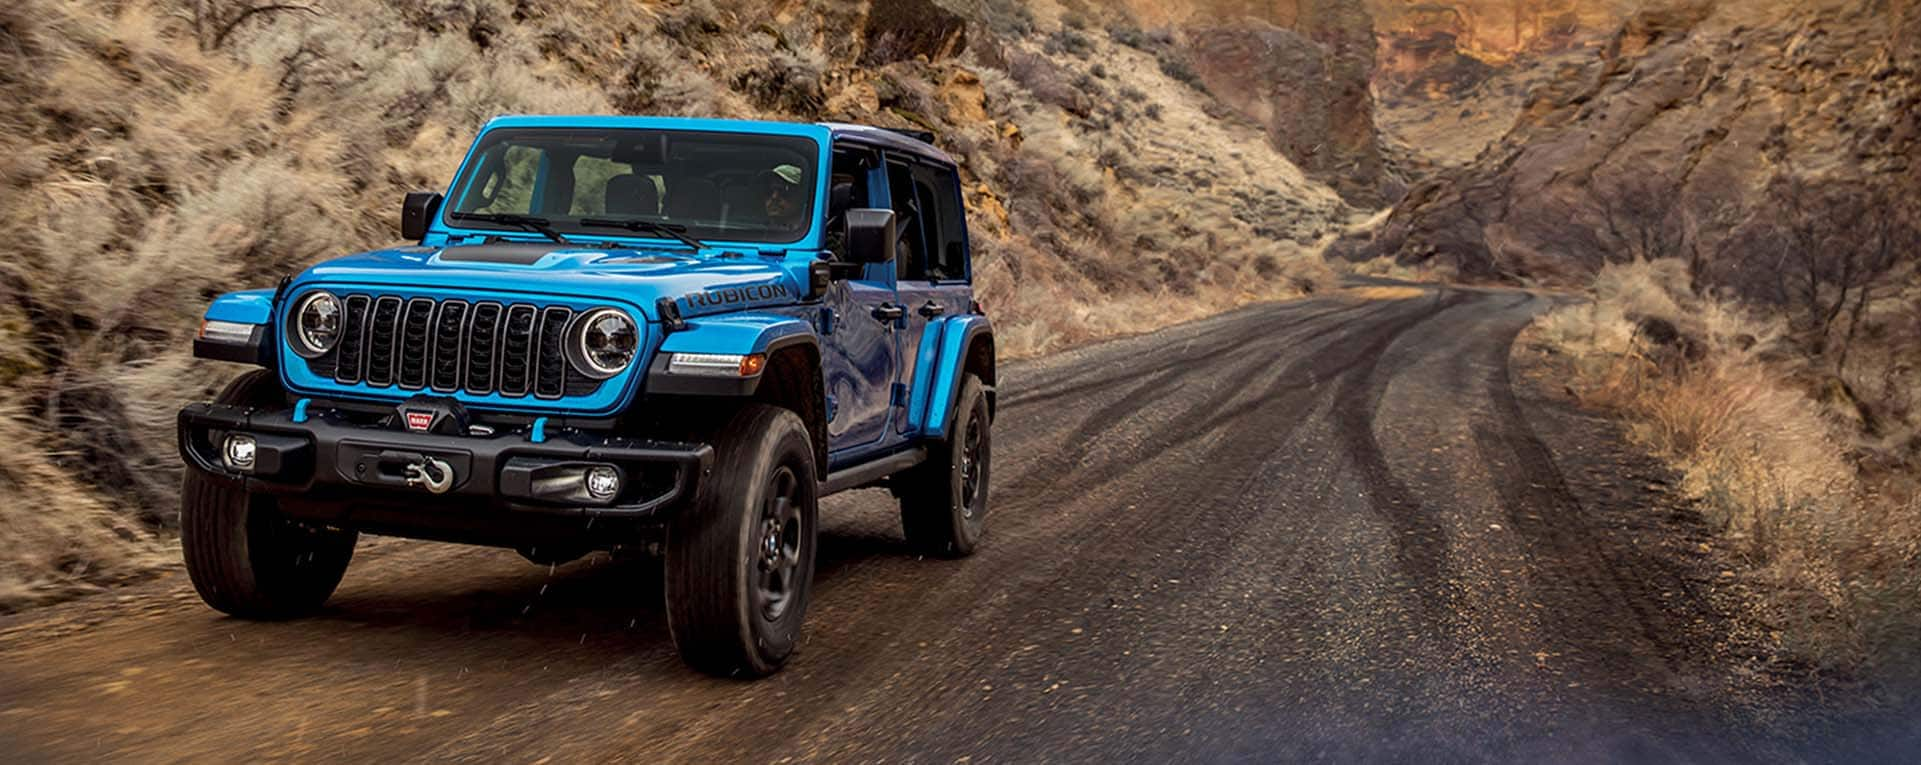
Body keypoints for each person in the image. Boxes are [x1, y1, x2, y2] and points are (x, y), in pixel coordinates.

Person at [763, 164, 807, 233]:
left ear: (801, 195)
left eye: (783, 191)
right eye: (769, 191)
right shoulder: (757, 232)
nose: (774, 197)